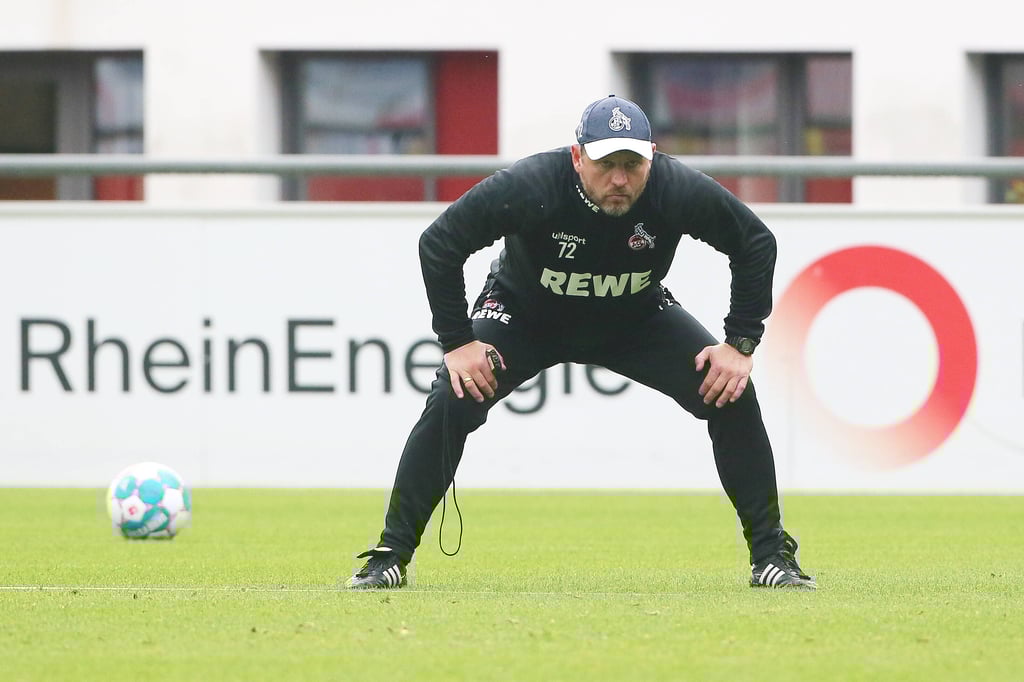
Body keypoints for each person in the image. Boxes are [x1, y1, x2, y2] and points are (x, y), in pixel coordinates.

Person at [346, 95, 816, 590]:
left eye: (632, 164)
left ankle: (771, 557)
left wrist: (740, 343)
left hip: (635, 317)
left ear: (651, 157)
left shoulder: (676, 189)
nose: (619, 179)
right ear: (577, 157)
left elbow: (755, 244)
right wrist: (458, 342)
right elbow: (439, 244)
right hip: (523, 315)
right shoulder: (533, 184)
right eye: (605, 164)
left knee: (730, 393)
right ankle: (389, 556)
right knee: (452, 395)